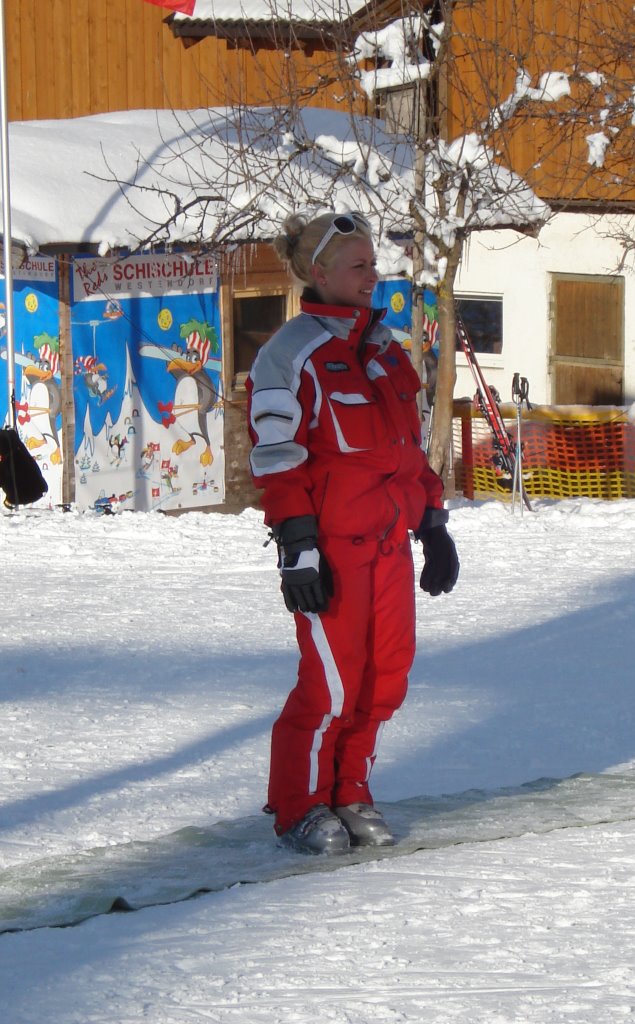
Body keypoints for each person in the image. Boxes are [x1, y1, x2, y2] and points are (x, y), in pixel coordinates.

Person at [247, 211, 459, 855]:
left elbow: (406, 451)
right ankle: (298, 807)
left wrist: (433, 523)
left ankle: (350, 790)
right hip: (332, 554)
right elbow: (277, 456)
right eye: (360, 265)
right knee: (332, 685)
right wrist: (298, 545)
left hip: (390, 548)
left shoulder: (386, 350)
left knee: (384, 677)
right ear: (320, 273)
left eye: (374, 264)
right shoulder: (289, 353)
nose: (374, 275)